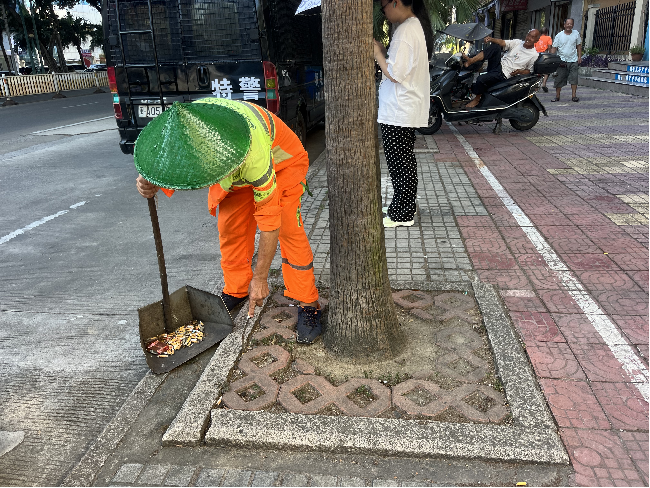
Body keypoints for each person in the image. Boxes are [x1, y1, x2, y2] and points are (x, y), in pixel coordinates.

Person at [135, 98, 323, 344]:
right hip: (236, 173)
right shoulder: (188, 123)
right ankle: (237, 289)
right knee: (230, 228)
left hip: (282, 165)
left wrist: (260, 278)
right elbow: (170, 161)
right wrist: (150, 179)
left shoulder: (254, 156)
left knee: (288, 227)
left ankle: (309, 303)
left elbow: (269, 223)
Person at [373, 0, 433, 228]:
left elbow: (396, 74)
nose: (384, 12)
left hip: (399, 109)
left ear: (396, 2)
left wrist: (378, 54)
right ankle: (404, 205)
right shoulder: (412, 26)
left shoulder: (406, 30)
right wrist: (383, 52)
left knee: (400, 163)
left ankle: (403, 213)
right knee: (403, 161)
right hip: (403, 108)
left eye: (383, 7)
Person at [462, 29, 542, 108]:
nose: (529, 38)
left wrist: (519, 72)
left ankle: (477, 99)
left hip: (504, 74)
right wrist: (491, 39)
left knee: (481, 79)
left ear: (536, 40)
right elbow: (502, 42)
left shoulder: (534, 55)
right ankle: (471, 60)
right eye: (528, 35)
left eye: (532, 37)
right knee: (496, 46)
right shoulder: (518, 43)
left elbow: (529, 71)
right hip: (498, 65)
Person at [550, 18, 582, 102]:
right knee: (559, 79)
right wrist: (551, 58)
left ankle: (574, 96)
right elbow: (554, 47)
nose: (569, 25)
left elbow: (578, 45)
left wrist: (579, 56)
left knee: (574, 78)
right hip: (562, 61)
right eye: (567, 24)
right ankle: (557, 96)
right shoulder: (559, 35)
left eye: (571, 24)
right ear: (564, 25)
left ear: (573, 25)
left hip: (573, 60)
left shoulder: (576, 33)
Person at [535, 27, 553, 92]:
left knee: (537, 71)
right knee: (546, 70)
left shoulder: (537, 38)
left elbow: (534, 47)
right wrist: (551, 54)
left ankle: (536, 86)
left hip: (536, 55)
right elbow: (549, 47)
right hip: (544, 55)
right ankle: (544, 84)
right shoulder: (548, 38)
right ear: (546, 32)